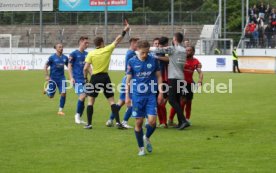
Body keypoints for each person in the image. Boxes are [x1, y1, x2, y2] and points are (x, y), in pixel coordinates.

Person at [83, 23, 130, 129]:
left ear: (95, 44)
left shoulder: (91, 54)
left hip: (94, 78)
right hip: (105, 77)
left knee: (90, 101)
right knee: (112, 101)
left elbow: (85, 68)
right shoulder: (107, 49)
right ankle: (118, 122)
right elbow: (117, 40)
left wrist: (86, 79)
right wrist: (124, 30)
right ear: (102, 43)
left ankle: (89, 124)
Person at [125, 40, 163, 156]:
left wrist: (161, 92)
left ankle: (146, 137)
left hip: (151, 95)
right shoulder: (131, 61)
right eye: (142, 52)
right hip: (137, 97)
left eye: (147, 52)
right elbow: (128, 80)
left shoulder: (153, 60)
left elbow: (159, 76)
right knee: (139, 122)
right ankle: (141, 148)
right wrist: (127, 96)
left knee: (152, 122)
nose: (145, 55)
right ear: (137, 50)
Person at [151, 32, 190, 130]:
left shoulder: (173, 48)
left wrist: (145, 48)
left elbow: (158, 49)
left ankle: (184, 120)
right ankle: (181, 122)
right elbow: (170, 57)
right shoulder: (183, 50)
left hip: (173, 77)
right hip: (181, 77)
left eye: (173, 38)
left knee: (172, 100)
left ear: (175, 39)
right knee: (177, 100)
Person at [105, 37, 139, 128]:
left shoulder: (130, 53)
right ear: (132, 43)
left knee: (120, 102)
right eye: (136, 43)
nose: (138, 45)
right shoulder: (132, 54)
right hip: (130, 80)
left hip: (125, 79)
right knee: (133, 102)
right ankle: (124, 121)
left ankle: (110, 120)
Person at [168, 46, 203, 125]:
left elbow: (200, 72)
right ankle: (172, 119)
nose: (187, 52)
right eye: (186, 50)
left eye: (189, 50)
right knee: (181, 101)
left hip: (189, 83)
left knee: (189, 101)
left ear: (193, 52)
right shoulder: (180, 59)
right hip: (180, 83)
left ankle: (187, 119)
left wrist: (200, 80)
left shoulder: (195, 61)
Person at [68, 36, 92, 124]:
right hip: (77, 79)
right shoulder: (73, 54)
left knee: (86, 98)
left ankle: (80, 116)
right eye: (86, 43)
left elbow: (88, 67)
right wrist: (71, 77)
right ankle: (77, 116)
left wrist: (93, 76)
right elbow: (69, 66)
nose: (87, 44)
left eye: (88, 43)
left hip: (85, 80)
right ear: (81, 42)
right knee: (82, 95)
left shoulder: (87, 54)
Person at [44, 43, 68, 116]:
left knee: (63, 93)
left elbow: (69, 67)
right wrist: (47, 75)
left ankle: (60, 110)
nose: (61, 48)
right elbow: (45, 66)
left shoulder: (65, 58)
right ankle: (47, 90)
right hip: (53, 79)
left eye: (62, 47)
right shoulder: (52, 57)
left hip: (62, 78)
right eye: (59, 47)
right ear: (56, 48)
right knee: (51, 96)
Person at [155, 37, 169, 128]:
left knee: (161, 102)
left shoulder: (164, 52)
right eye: (155, 44)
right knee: (155, 102)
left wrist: (157, 57)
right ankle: (160, 122)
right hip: (153, 81)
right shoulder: (152, 53)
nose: (156, 45)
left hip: (163, 80)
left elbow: (169, 59)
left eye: (158, 44)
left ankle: (164, 122)